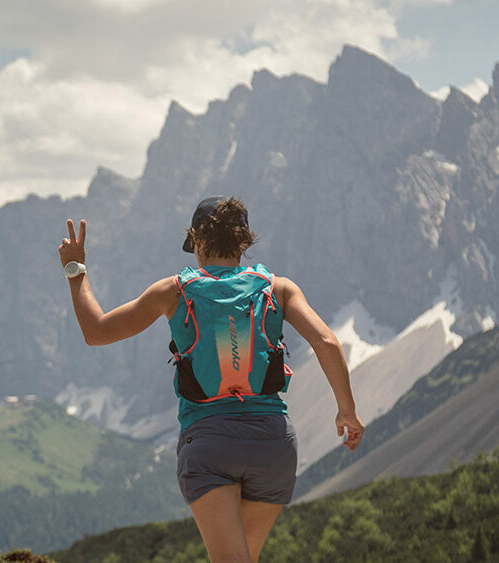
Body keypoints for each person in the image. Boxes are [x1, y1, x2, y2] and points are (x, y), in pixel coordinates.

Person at [56, 196, 363, 563]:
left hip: (209, 444)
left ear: (197, 241)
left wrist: (76, 270)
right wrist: (347, 410)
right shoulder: (279, 288)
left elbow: (96, 331)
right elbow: (327, 341)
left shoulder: (174, 291)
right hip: (274, 444)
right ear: (244, 243)